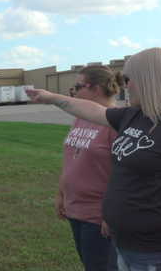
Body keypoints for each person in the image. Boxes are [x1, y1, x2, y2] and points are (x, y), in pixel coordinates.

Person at [26, 47, 161, 271]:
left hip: (157, 250)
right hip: (125, 243)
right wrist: (52, 98)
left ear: (147, 80)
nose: (124, 85)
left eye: (127, 78)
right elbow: (92, 111)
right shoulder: (133, 116)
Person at [57, 65, 122, 271]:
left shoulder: (116, 121)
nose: (74, 92)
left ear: (95, 89)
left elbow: (123, 174)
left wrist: (111, 215)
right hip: (75, 209)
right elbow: (70, 157)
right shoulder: (81, 116)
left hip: (97, 215)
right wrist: (61, 194)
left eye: (78, 86)